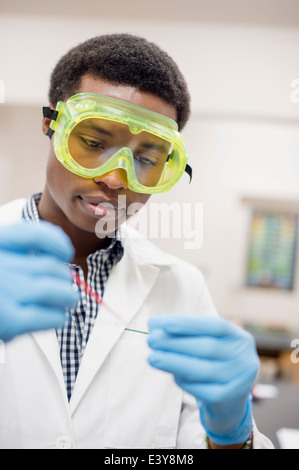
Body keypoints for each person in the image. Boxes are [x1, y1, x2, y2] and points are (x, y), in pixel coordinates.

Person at [0, 34, 274, 449]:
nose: (115, 179)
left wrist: (232, 432)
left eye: (146, 159)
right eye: (93, 143)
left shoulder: (182, 287)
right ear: (50, 125)